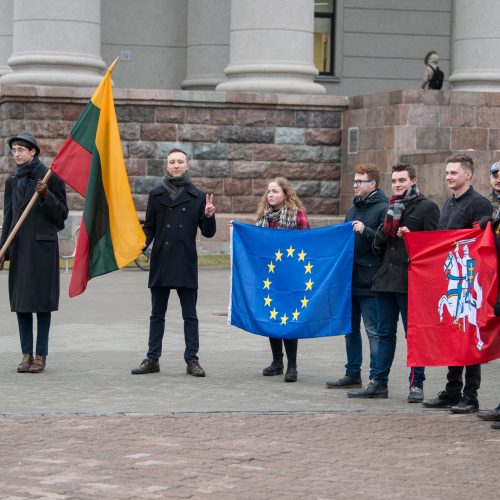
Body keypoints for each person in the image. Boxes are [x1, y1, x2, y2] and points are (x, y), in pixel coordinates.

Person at [347, 163, 440, 401]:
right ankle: (378, 383)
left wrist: (411, 238)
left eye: (402, 180)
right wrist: (384, 233)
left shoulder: (427, 207)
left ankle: (416, 385)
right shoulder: (390, 208)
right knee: (384, 334)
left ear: (413, 181)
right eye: (395, 181)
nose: (398, 185)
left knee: (414, 335)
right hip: (385, 280)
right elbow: (379, 248)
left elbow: (433, 248)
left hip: (410, 282)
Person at [131, 148, 216, 377]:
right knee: (156, 314)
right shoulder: (156, 194)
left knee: (190, 315)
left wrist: (208, 216)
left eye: (180, 162)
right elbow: (149, 227)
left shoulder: (198, 197)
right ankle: (152, 358)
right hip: (161, 260)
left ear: (188, 166)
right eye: (172, 162)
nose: (176, 165)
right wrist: (139, 244)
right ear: (166, 166)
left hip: (185, 261)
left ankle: (192, 360)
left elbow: (207, 233)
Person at [423, 153, 492, 414]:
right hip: (451, 278)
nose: (449, 177)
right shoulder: (449, 204)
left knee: (469, 337)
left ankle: (470, 395)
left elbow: (478, 242)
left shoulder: (478, 204)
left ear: (468, 174)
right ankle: (452, 390)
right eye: (447, 173)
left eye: (454, 172)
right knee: (453, 336)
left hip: (470, 281)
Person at [0, 132, 68, 373]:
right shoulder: (12, 181)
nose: (17, 154)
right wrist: (3, 249)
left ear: (33, 152)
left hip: (43, 249)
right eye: (14, 150)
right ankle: (26, 354)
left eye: (21, 149)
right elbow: (9, 217)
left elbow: (61, 217)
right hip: (20, 250)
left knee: (42, 304)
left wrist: (46, 196)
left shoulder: (50, 177)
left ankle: (41, 355)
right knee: (22, 304)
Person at [326, 164, 388, 389]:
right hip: (349, 281)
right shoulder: (352, 210)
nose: (354, 184)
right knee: (350, 330)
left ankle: (376, 377)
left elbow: (386, 243)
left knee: (373, 332)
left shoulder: (383, 208)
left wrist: (366, 231)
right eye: (354, 181)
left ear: (372, 184)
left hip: (371, 282)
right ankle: (353, 373)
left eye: (359, 181)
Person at [256, 177, 310, 382]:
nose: (270, 195)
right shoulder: (264, 217)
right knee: (272, 316)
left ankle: (292, 365)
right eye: (268, 191)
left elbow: (307, 244)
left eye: (275, 191)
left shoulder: (298, 216)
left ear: (285, 194)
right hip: (270, 276)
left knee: (288, 320)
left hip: (290, 276)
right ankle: (277, 361)